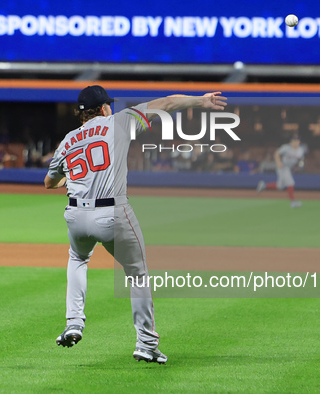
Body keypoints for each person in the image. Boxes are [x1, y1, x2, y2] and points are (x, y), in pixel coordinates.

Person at [44, 86, 227, 364]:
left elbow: (49, 183)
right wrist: (200, 101)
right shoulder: (120, 121)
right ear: (105, 108)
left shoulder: (68, 140)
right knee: (137, 274)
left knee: (78, 258)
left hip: (75, 215)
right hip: (112, 213)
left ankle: (74, 322)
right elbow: (166, 103)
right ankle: (146, 343)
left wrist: (73, 180)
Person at [256, 135, 306, 208]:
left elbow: (300, 160)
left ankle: (264, 185)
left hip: (289, 168)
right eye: (294, 140)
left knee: (280, 186)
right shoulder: (286, 147)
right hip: (282, 167)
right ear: (291, 141)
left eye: (297, 140)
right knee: (290, 182)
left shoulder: (301, 150)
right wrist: (278, 162)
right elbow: (276, 153)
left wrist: (297, 167)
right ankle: (293, 202)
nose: (296, 142)